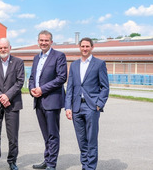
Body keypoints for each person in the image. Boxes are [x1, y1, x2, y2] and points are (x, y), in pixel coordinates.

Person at [65, 38, 109, 170]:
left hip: (91, 107)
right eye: (83, 46)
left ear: (92, 47)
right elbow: (70, 87)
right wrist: (68, 107)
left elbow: (105, 87)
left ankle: (90, 167)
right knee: (81, 140)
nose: (85, 48)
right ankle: (85, 165)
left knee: (91, 140)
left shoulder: (99, 64)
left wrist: (99, 104)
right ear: (79, 47)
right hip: (77, 107)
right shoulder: (74, 65)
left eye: (87, 46)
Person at [29, 30, 67, 170]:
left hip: (52, 101)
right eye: (41, 40)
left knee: (52, 134)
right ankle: (47, 159)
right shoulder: (36, 58)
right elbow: (32, 77)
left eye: (46, 40)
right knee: (46, 134)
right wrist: (32, 89)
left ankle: (52, 164)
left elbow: (61, 78)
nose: (43, 43)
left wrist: (42, 89)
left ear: (51, 41)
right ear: (38, 41)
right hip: (38, 101)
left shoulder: (59, 56)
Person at [0, 38, 25, 170]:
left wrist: (7, 95)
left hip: (12, 103)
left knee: (13, 136)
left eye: (5, 47)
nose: (3, 50)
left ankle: (12, 161)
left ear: (10, 48)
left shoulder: (18, 62)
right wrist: (1, 97)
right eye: (0, 48)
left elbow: (20, 81)